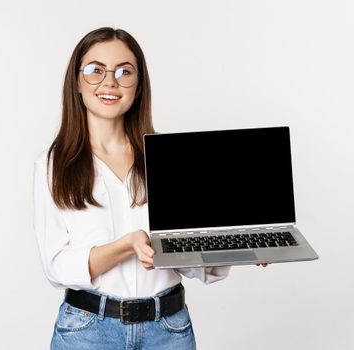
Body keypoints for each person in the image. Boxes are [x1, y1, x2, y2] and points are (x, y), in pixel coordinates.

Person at [33, 27, 261, 349]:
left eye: (124, 72)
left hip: (167, 330)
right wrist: (127, 246)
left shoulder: (168, 161)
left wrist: (242, 247)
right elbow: (56, 267)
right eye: (95, 70)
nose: (110, 82)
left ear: (138, 87)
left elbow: (191, 260)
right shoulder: (53, 165)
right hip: (87, 332)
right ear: (76, 82)